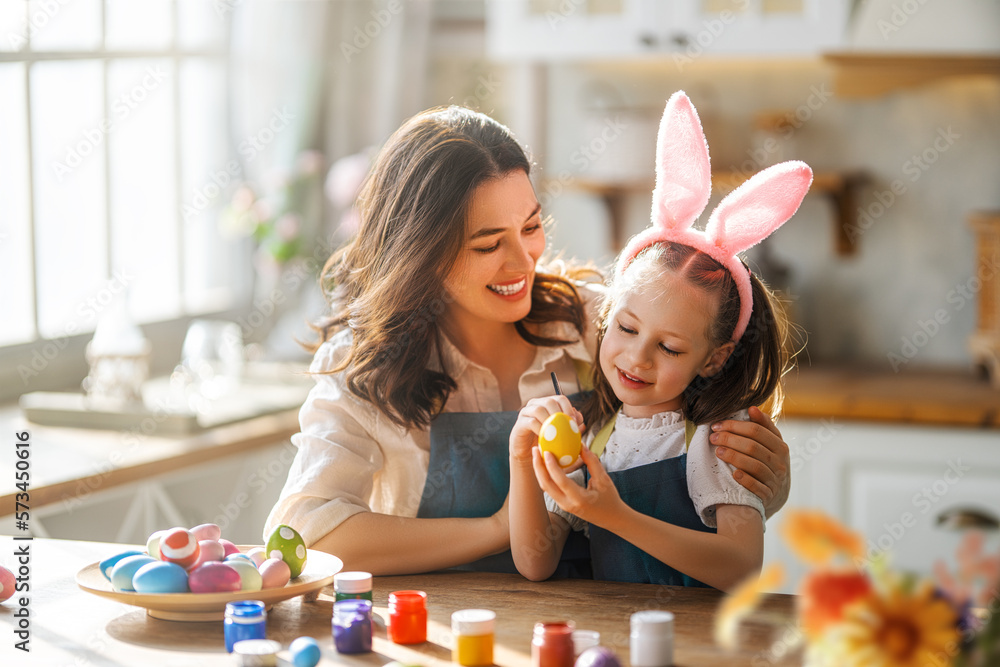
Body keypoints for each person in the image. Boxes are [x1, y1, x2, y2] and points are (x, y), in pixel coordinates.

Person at [264, 103, 793, 576]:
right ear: (419, 255)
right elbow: (306, 534)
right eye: (489, 244)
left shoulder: (595, 324)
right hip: (436, 635)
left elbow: (698, 457)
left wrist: (767, 479)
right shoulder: (363, 367)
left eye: (531, 226)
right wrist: (498, 527)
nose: (524, 262)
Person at [508, 91, 812, 591]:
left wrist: (614, 515)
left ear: (714, 359)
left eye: (669, 348)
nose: (637, 356)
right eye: (626, 328)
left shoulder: (718, 438)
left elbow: (740, 569)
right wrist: (523, 459)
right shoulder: (595, 436)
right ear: (607, 315)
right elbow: (535, 563)